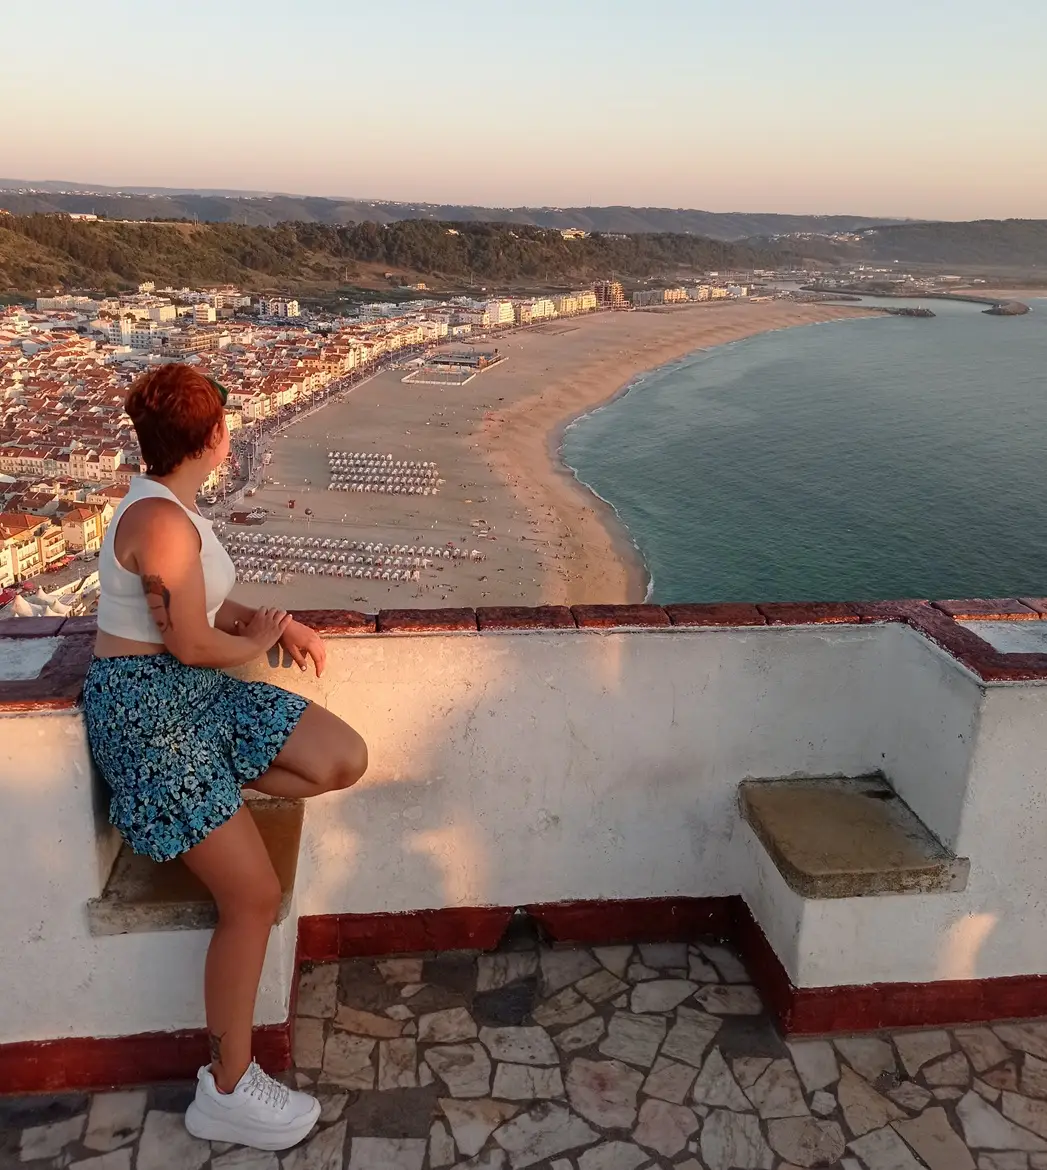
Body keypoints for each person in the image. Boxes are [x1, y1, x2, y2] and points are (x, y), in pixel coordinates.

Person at [83, 363, 368, 1152]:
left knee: (339, 756)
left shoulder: (170, 510)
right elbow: (192, 639)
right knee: (252, 898)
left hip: (189, 699)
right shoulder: (164, 523)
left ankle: (201, 800)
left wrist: (284, 626)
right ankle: (228, 1089)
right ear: (214, 438)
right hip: (149, 712)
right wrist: (256, 641)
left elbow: (205, 605)